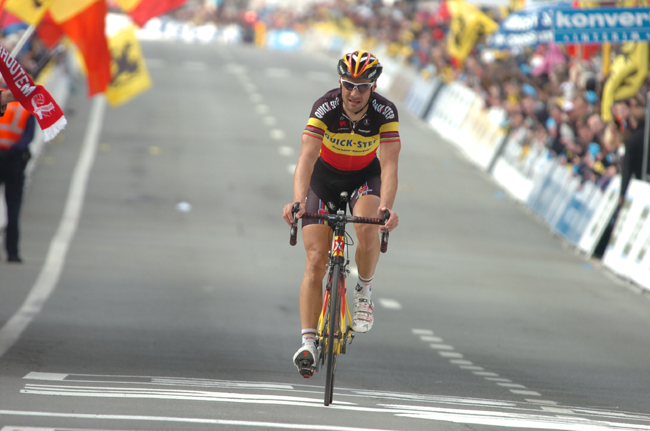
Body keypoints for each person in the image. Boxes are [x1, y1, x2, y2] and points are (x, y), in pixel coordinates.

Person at [282, 50, 401, 377]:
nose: (354, 92)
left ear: (373, 87)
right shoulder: (325, 107)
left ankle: (363, 290)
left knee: (367, 228)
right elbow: (306, 158)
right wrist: (297, 201)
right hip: (323, 179)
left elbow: (389, 166)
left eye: (362, 86)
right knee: (316, 259)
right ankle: (308, 342)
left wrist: (386, 207)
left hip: (364, 178)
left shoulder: (384, 112)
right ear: (340, 82)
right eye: (349, 84)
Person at [0, 84, 36, 263]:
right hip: (14, 160)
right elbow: (29, 136)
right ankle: (12, 251)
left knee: (13, 207)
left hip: (8, 158)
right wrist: (15, 150)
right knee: (13, 207)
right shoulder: (25, 106)